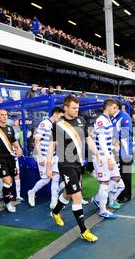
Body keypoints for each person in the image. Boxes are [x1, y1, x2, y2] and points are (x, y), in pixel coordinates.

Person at [46, 95, 102, 242]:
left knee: (69, 193)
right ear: (66, 108)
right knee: (77, 194)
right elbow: (52, 145)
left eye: (78, 108)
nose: (76, 110)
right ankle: (84, 231)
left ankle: (56, 211)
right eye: (74, 108)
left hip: (78, 163)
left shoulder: (81, 120)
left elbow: (88, 139)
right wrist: (47, 165)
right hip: (65, 164)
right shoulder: (58, 124)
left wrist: (97, 154)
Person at [91, 99, 125, 219]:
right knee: (104, 182)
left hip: (108, 155)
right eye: (114, 108)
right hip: (102, 157)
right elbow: (101, 141)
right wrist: (109, 158)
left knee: (116, 178)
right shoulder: (101, 120)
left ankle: (97, 199)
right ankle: (103, 210)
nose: (116, 110)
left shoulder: (107, 119)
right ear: (108, 107)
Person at [27, 106, 65, 209]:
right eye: (61, 116)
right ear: (55, 114)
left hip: (54, 155)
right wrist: (39, 156)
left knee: (56, 178)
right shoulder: (44, 124)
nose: (62, 119)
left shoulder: (57, 126)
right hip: (44, 156)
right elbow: (37, 140)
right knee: (46, 180)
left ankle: (54, 202)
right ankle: (31, 192)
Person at [0, 109, 23, 213]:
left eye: (5, 115)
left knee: (9, 182)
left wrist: (19, 148)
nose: (4, 117)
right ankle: (7, 202)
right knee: (7, 181)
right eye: (2, 115)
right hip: (0, 159)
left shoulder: (10, 128)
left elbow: (13, 141)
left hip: (11, 158)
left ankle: (4, 197)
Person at [111, 100, 133, 204]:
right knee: (117, 173)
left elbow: (126, 133)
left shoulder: (124, 116)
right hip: (115, 151)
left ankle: (126, 195)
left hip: (125, 151)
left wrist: (113, 137)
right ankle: (118, 194)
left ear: (116, 107)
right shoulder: (111, 118)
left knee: (126, 173)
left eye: (112, 106)